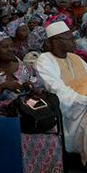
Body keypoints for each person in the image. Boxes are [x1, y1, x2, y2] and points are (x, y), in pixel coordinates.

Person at [0, 30, 63, 172]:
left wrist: (31, 87)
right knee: (18, 139)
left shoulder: (24, 67)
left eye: (11, 45)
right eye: (5, 47)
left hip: (28, 114)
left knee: (50, 135)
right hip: (1, 116)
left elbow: (40, 89)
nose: (11, 49)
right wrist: (2, 87)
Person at [36, 21, 87, 164]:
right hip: (70, 112)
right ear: (56, 41)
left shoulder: (76, 57)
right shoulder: (44, 60)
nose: (74, 41)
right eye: (69, 38)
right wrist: (83, 100)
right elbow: (57, 91)